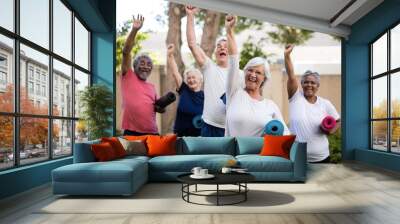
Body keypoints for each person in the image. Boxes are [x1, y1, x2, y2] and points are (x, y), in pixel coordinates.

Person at [224, 15, 289, 137]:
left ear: (264, 78)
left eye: (258, 72)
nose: (253, 75)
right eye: (250, 70)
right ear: (245, 72)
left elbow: (285, 133)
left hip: (258, 155)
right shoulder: (234, 93)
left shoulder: (270, 106)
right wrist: (229, 31)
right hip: (233, 154)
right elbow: (233, 60)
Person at [186, 5, 243, 137]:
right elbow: (192, 44)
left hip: (231, 129)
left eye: (226, 46)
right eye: (219, 46)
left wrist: (230, 30)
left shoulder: (240, 74)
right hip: (209, 127)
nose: (222, 48)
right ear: (216, 52)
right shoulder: (209, 67)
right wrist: (190, 16)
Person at [284, 44, 340, 163]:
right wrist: (287, 55)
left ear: (318, 86)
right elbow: (291, 76)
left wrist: (330, 130)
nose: (309, 85)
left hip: (322, 158)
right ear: (302, 84)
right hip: (297, 157)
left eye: (313, 83)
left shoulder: (325, 103)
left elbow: (338, 121)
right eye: (306, 82)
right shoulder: (295, 98)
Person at [121, 14, 164, 136]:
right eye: (142, 63)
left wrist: (161, 108)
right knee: (133, 156)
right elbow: (126, 52)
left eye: (149, 64)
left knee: (156, 156)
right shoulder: (128, 76)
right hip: (132, 132)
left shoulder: (152, 87)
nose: (146, 66)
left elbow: (157, 108)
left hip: (153, 133)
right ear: (134, 66)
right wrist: (135, 29)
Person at [167, 44, 204, 137]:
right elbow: (175, 73)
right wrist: (170, 56)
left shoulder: (206, 96)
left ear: (200, 80)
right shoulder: (184, 90)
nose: (191, 80)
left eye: (193, 77)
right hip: (181, 136)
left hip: (199, 137)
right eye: (189, 78)